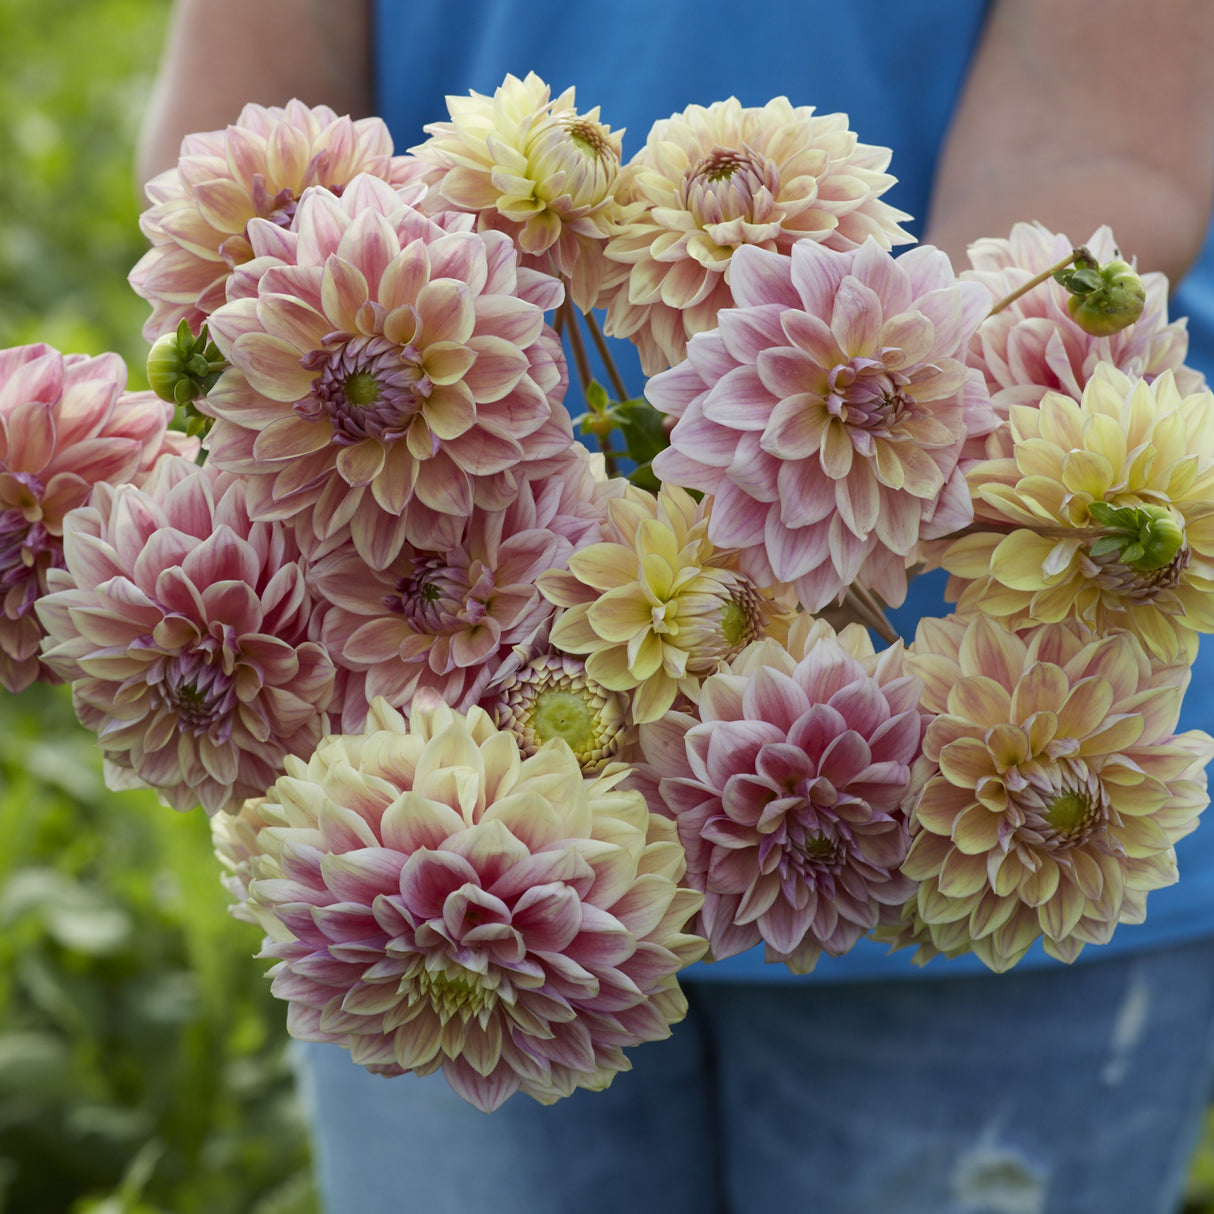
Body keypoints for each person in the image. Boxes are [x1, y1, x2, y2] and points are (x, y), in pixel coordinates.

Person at [139, 2, 1214, 1210]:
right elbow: (238, 126)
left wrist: (884, 420)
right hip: (425, 787)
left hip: (941, 785)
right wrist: (265, 359)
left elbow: (1087, 142)